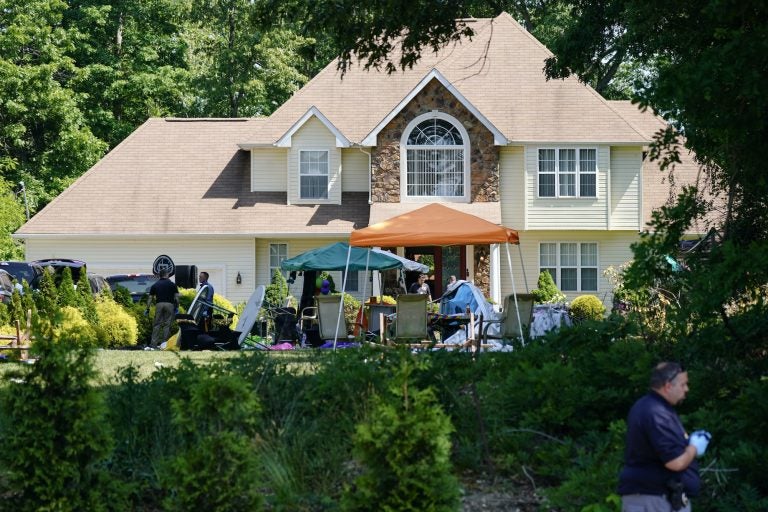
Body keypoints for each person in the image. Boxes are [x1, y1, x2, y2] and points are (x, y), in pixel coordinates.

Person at [619, 362, 712, 511]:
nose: (686, 389)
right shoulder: (656, 412)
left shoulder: (650, 407)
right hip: (655, 500)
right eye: (683, 385)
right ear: (668, 386)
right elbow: (675, 462)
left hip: (655, 497)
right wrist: (694, 447)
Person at [146, 269, 179, 349]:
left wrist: (147, 308)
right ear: (167, 275)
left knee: (157, 324)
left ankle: (153, 344)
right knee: (167, 325)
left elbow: (150, 298)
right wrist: (177, 306)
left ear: (159, 275)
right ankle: (164, 344)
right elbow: (177, 298)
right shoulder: (172, 285)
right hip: (169, 305)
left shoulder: (155, 285)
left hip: (159, 304)